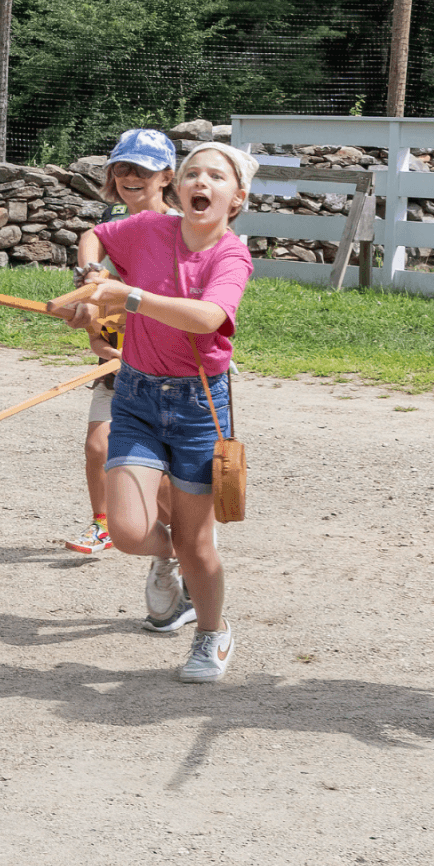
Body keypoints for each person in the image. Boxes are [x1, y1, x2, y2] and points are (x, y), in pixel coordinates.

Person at [73, 142, 258, 682]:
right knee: (130, 532)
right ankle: (169, 558)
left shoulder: (231, 255)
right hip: (136, 395)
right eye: (192, 174)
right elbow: (97, 236)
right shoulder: (150, 229)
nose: (201, 182)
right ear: (177, 188)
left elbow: (207, 318)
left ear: (236, 198)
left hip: (201, 405)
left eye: (216, 177)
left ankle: (211, 634)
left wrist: (126, 295)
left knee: (197, 542)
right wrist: (91, 277)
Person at [64, 129, 195, 633]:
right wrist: (93, 295)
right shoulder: (110, 224)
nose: (130, 178)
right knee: (99, 447)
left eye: (142, 169)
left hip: (168, 365)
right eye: (122, 168)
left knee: (163, 482)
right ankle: (108, 527)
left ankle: (179, 551)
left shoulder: (184, 229)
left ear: (168, 176)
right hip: (119, 359)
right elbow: (92, 246)